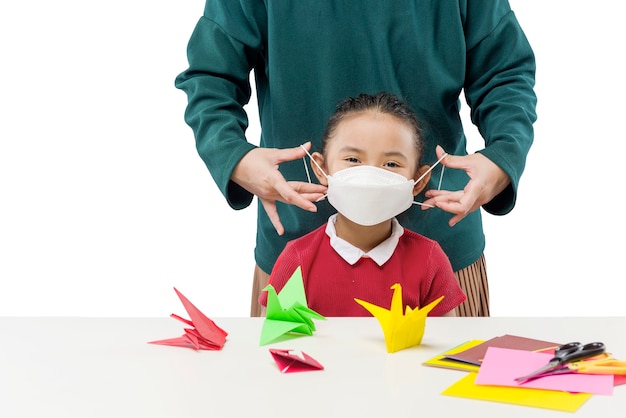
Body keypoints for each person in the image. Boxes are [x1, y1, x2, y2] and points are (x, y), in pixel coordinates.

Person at [175, 1, 537, 317]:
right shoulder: (294, 266)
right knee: (289, 392)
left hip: (440, 249)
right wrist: (236, 158)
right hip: (298, 262)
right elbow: (211, 77)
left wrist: (502, 155)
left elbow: (504, 72)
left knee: (440, 392)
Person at [258, 92, 466, 317]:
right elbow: (274, 343)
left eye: (391, 163)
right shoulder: (296, 260)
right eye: (353, 160)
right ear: (321, 169)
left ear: (418, 181)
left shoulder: (430, 261)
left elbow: (448, 345)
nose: (370, 176)